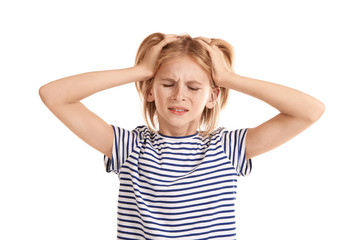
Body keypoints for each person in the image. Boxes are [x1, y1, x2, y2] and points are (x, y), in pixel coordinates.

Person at [39, 32, 325, 240]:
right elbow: (54, 96)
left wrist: (228, 79)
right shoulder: (128, 148)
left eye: (193, 86)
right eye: (167, 83)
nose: (179, 95)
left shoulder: (228, 148)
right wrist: (139, 71)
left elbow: (309, 111)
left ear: (212, 96)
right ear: (150, 91)